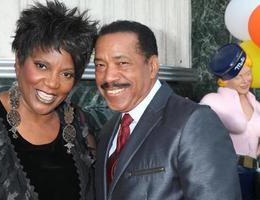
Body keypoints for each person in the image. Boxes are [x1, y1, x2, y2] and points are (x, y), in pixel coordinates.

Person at [0, 1, 97, 199]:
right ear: (19, 61)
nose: (52, 83)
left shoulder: (79, 122)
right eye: (42, 66)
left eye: (66, 74)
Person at [93, 20, 241, 200]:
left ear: (152, 66)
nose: (108, 76)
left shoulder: (194, 122)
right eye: (100, 65)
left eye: (122, 63)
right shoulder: (109, 130)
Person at [200, 43, 260, 200]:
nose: (245, 80)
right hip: (227, 172)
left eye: (248, 74)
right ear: (225, 81)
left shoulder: (255, 103)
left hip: (253, 171)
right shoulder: (213, 101)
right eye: (239, 77)